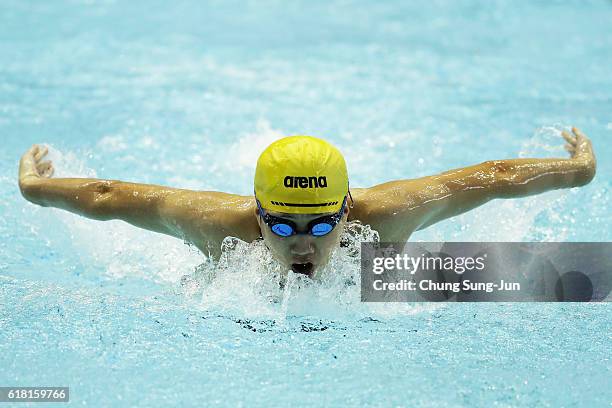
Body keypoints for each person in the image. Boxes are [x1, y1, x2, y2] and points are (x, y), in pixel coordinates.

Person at [18, 128, 596, 279]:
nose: (304, 241)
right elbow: (107, 196)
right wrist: (33, 188)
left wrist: (577, 171)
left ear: (347, 207)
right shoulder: (220, 227)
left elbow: (492, 177)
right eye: (284, 225)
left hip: (378, 280)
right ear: (257, 211)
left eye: (323, 222)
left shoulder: (388, 216)